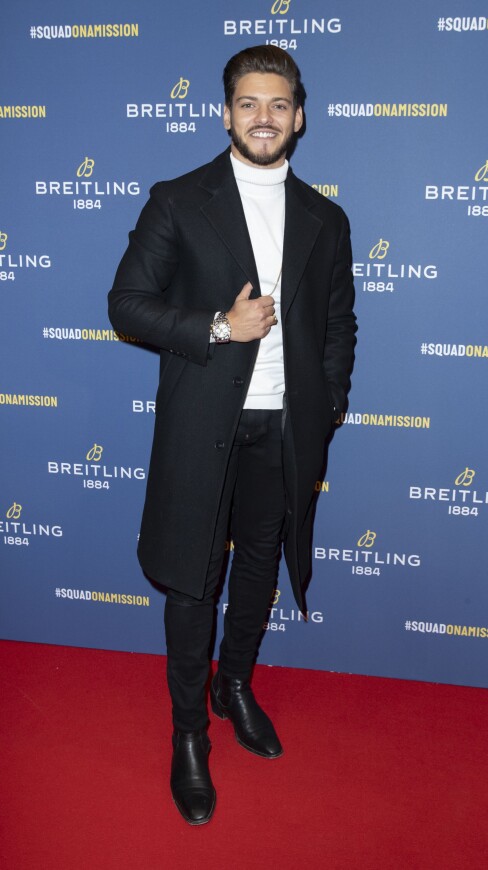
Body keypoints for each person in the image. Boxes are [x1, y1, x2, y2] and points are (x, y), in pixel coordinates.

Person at [108, 45, 356, 826]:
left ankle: (235, 685)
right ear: (226, 113)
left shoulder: (326, 216)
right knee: (192, 582)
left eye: (279, 104)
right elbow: (126, 305)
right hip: (203, 425)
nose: (264, 117)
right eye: (249, 103)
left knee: (258, 567)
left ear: (300, 116)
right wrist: (218, 325)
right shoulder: (180, 200)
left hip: (285, 430)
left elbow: (340, 326)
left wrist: (326, 406)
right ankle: (189, 736)